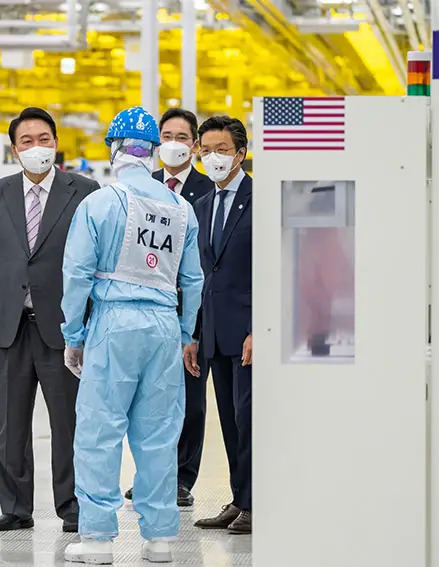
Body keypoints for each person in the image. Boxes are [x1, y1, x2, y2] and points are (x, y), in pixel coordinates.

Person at [60, 106, 203, 565]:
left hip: (113, 324)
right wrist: (184, 331)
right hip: (163, 328)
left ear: (114, 148)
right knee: (160, 434)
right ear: (154, 151)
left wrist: (73, 334)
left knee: (100, 431)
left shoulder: (100, 202)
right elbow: (194, 281)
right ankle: (160, 539)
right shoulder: (180, 208)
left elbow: (77, 274)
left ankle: (99, 540)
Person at [0, 107, 100, 533]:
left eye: (44, 139)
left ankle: (72, 505)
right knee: (11, 425)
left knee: (68, 421)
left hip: (64, 327)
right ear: (14, 149)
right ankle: (14, 507)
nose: (36, 148)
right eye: (27, 141)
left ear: (56, 143)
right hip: (9, 324)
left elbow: (97, 260)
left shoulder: (84, 191)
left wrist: (92, 319)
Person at [124, 107, 213, 508]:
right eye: (168, 136)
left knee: (188, 400)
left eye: (182, 137)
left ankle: (181, 478)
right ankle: (149, 473)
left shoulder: (207, 188)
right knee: (149, 400)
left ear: (194, 145)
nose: (174, 144)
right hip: (148, 305)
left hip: (192, 310)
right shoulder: (145, 185)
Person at [185, 115, 253, 535]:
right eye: (205, 150)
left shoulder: (260, 197)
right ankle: (239, 498)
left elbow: (276, 268)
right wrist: (192, 334)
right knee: (228, 419)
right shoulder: (202, 205)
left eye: (221, 150)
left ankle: (255, 502)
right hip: (212, 332)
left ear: (241, 154)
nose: (212, 158)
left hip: (248, 332)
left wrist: (259, 329)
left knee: (249, 419)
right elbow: (197, 275)